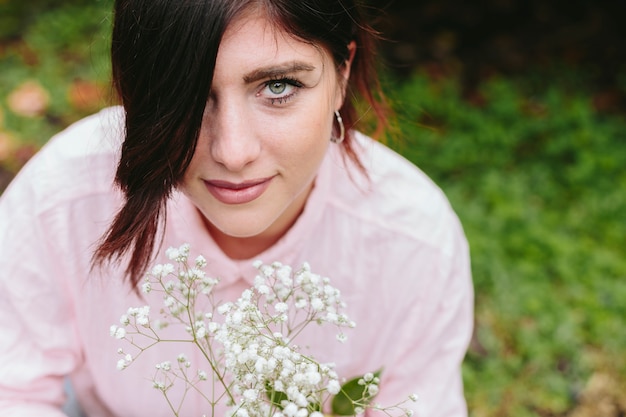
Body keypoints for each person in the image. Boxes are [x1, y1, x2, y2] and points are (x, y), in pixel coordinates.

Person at [0, 0, 474, 416]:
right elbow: (11, 393)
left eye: (278, 87)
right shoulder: (63, 199)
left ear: (342, 74)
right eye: (186, 93)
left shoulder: (414, 242)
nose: (232, 151)